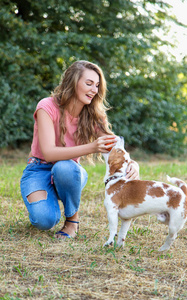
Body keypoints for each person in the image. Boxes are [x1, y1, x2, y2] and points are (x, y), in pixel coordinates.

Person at [20, 60, 139, 239]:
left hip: (68, 172)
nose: (94, 90)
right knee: (44, 221)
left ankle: (72, 222)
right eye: (89, 83)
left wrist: (132, 163)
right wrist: (91, 147)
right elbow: (49, 153)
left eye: (97, 85)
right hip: (38, 168)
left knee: (64, 167)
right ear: (73, 82)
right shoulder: (46, 106)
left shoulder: (93, 115)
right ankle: (46, 202)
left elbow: (115, 146)